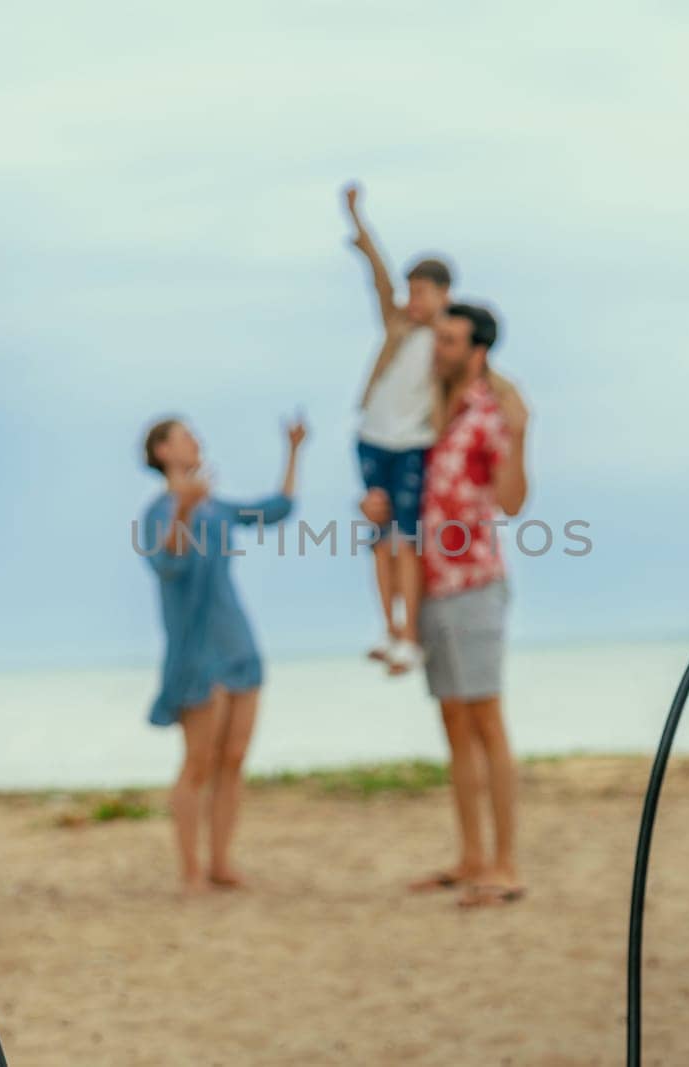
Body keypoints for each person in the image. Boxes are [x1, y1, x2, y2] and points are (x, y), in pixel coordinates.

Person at [365, 303, 530, 907]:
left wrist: (523, 435)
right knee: (455, 726)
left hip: (475, 585)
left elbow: (512, 501)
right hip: (432, 587)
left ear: (477, 350)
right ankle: (471, 857)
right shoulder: (431, 416)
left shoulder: (490, 417)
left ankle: (506, 865)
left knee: (486, 722)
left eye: (450, 340)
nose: (438, 349)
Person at [139, 416, 307, 894]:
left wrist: (293, 451)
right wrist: (182, 511)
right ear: (163, 451)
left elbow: (275, 510)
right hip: (197, 652)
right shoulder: (159, 510)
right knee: (199, 762)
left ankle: (220, 862)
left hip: (238, 643)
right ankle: (191, 870)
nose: (196, 437)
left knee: (233, 758)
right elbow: (166, 564)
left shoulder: (214, 506)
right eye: (184, 433)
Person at [343, 181, 450, 676]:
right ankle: (390, 631)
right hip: (372, 437)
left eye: (421, 292)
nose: (411, 299)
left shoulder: (449, 337)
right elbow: (378, 278)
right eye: (410, 291)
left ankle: (411, 634)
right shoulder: (399, 326)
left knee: (408, 540)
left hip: (414, 444)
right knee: (381, 539)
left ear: (443, 294)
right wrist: (359, 224)